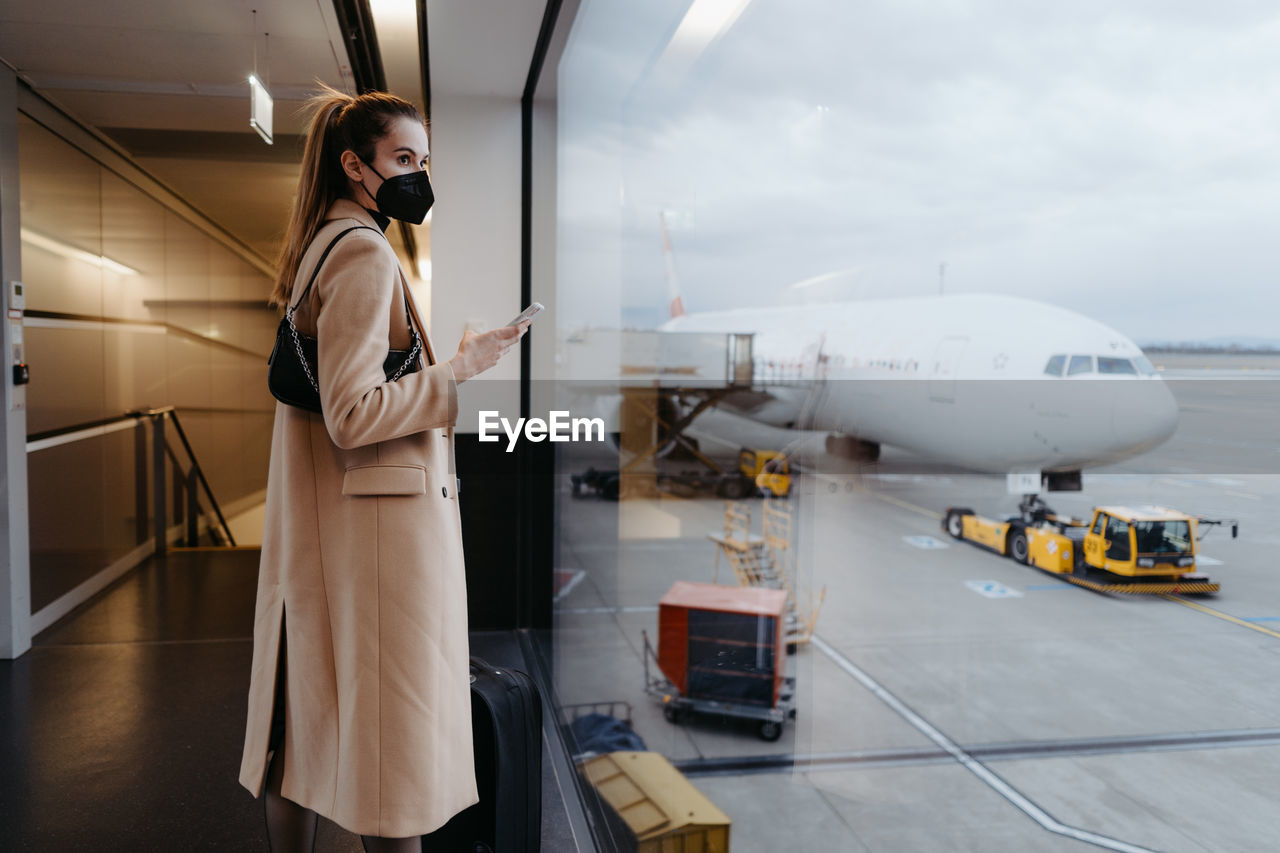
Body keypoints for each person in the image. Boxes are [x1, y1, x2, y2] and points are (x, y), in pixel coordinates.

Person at [237, 85, 528, 852]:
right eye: (403, 158)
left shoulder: (326, 244)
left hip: (335, 528)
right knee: (392, 757)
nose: (417, 175)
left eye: (424, 160)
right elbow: (353, 413)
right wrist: (458, 370)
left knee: (302, 726)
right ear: (354, 165)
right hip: (377, 546)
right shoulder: (364, 253)